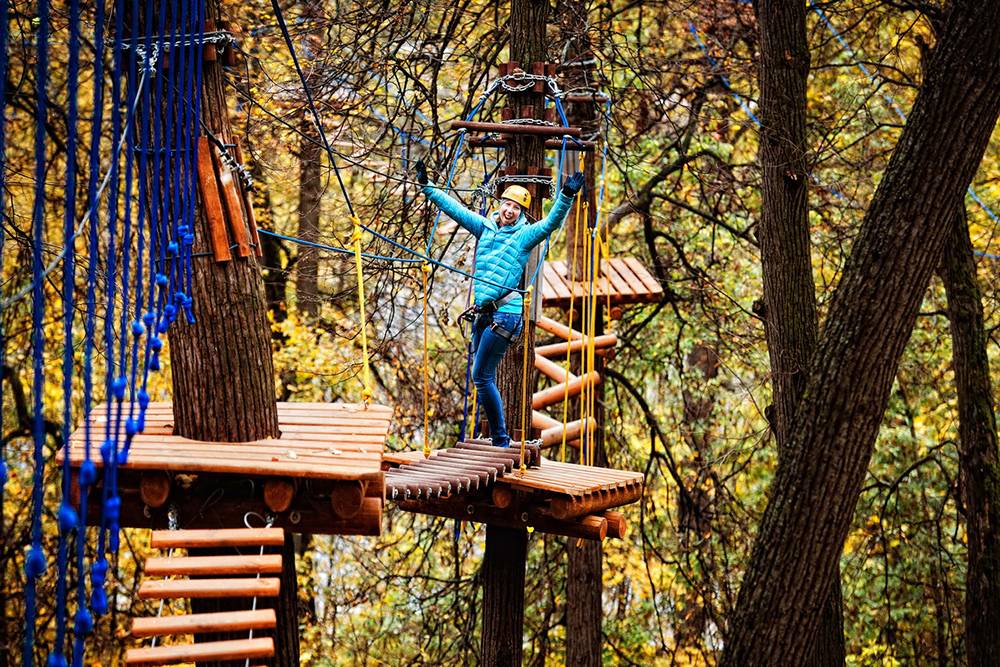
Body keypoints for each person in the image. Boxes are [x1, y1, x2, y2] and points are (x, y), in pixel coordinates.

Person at [415, 159, 585, 448]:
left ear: (521, 213)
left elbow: (551, 223)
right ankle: (499, 437)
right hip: (485, 315)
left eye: (516, 208)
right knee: (480, 375)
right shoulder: (485, 227)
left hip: (505, 314)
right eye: (507, 204)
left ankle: (501, 440)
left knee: (481, 375)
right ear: (500, 204)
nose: (509, 210)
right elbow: (455, 210)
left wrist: (566, 196)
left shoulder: (523, 236)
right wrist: (427, 187)